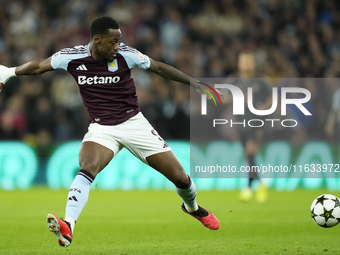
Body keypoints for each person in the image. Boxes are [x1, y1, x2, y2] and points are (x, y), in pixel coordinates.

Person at [0, 16, 222, 247]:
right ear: (97, 40)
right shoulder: (72, 57)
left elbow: (158, 67)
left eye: (119, 41)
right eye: (113, 42)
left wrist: (194, 84)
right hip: (101, 128)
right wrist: (9, 72)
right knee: (88, 167)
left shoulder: (127, 54)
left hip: (134, 124)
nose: (117, 46)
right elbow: (37, 66)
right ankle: (68, 227)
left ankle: (192, 207)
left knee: (181, 179)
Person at [228, 51, 270, 203]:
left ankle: (249, 187)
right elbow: (226, 99)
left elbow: (272, 99)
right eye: (243, 61)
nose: (245, 64)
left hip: (257, 122)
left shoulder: (261, 81)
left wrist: (263, 107)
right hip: (241, 123)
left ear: (253, 63)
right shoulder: (234, 81)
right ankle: (257, 184)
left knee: (250, 152)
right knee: (249, 156)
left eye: (248, 61)